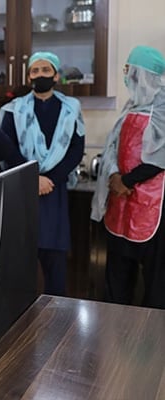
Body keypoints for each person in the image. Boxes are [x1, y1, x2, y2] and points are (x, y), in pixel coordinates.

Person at [0, 51, 85, 296]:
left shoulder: (71, 109)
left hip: (55, 191)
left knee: (55, 262)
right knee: (22, 259)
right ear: (28, 77)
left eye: (45, 70)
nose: (40, 75)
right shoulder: (13, 110)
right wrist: (33, 178)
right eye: (34, 71)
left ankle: (55, 320)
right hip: (23, 191)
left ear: (56, 75)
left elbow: (76, 149)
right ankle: (21, 324)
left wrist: (50, 179)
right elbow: (8, 150)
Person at [90, 45, 165, 309]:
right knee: (117, 278)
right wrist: (113, 175)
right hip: (121, 204)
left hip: (152, 207)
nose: (126, 75)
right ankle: (115, 339)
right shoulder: (132, 104)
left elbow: (161, 157)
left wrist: (127, 181)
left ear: (142, 74)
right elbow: (113, 145)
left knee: (155, 286)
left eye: (129, 70)